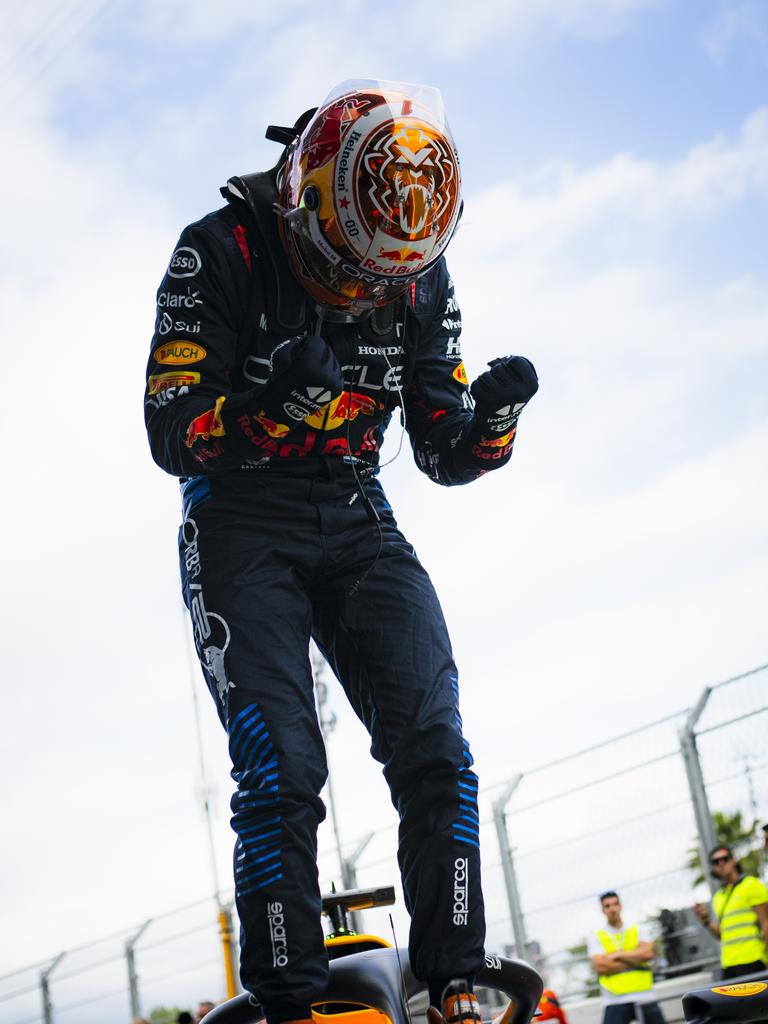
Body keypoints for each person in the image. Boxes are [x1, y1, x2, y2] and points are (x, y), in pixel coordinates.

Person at [144, 78, 539, 1024]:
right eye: (350, 266)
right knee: (283, 761)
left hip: (357, 511)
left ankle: (454, 980)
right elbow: (169, 430)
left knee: (436, 745)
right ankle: (290, 1001)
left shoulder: (416, 274)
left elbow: (443, 451)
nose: (367, 289)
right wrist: (267, 409)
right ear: (311, 200)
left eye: (385, 275)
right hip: (240, 515)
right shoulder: (220, 247)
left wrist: (494, 422)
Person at [587, 891, 665, 1024]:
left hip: (645, 995)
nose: (612, 909)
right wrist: (636, 958)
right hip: (615, 999)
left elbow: (648, 954)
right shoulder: (596, 935)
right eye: (607, 906)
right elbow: (600, 966)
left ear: (621, 906)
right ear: (603, 910)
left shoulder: (637, 928)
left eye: (615, 904)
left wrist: (617, 955)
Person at [693, 844, 768, 978]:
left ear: (734, 860)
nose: (721, 864)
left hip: (753, 960)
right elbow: (722, 934)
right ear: (713, 867)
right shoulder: (718, 897)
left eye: (725, 859)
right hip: (729, 964)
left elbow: (766, 923)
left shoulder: (751, 884)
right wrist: (706, 921)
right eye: (716, 861)